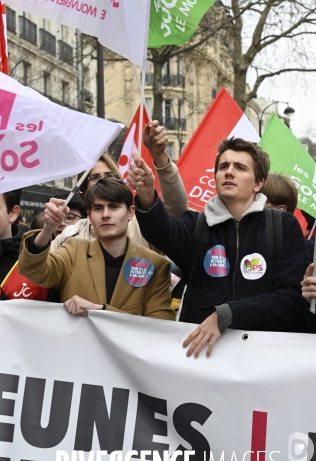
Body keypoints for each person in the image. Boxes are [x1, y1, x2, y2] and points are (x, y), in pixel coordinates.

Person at [128, 137, 309, 356]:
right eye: (223, 166)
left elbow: (291, 299)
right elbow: (161, 231)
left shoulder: (282, 226)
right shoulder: (197, 225)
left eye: (240, 167)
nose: (229, 172)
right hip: (204, 361)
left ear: (258, 183)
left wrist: (228, 314)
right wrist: (147, 193)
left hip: (265, 363)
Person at [19, 177, 175, 320]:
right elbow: (33, 270)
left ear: (131, 212)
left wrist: (101, 310)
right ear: (90, 216)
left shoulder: (156, 265)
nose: (106, 214)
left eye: (114, 207)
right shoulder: (73, 251)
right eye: (98, 208)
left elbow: (160, 326)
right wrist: (48, 229)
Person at [46, 120, 188, 251]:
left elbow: (176, 210)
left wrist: (160, 156)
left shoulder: (141, 226)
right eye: (95, 177)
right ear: (84, 189)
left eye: (109, 176)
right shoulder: (70, 236)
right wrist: (48, 228)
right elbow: (38, 269)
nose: (103, 181)